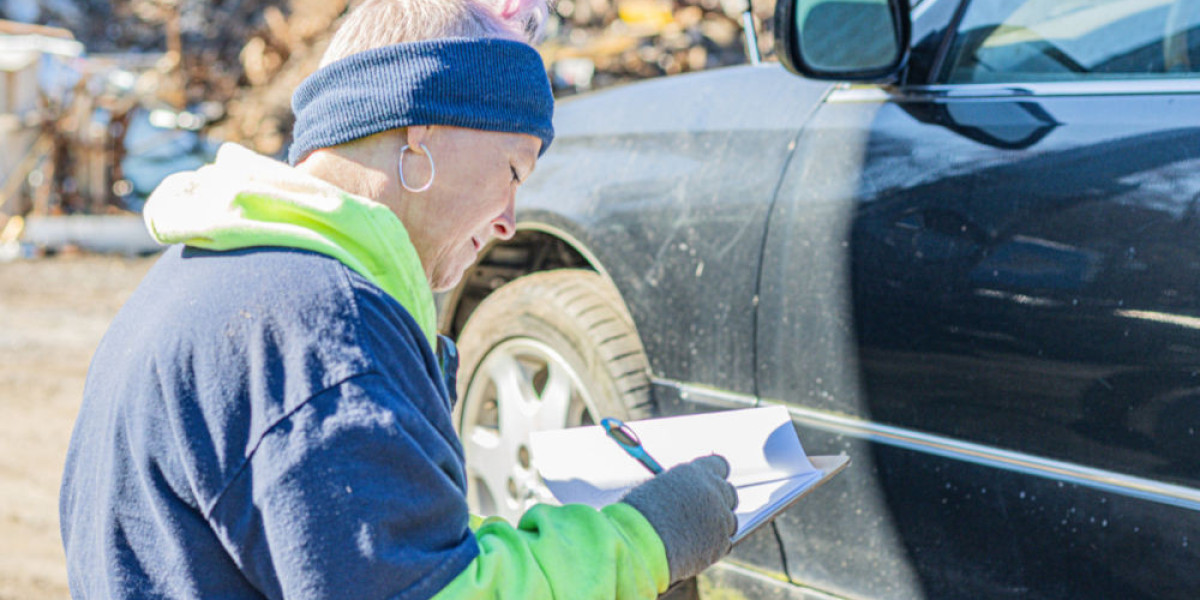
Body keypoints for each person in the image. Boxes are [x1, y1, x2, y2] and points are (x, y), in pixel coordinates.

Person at [58, 0, 739, 598]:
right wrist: (645, 539)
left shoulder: (218, 273)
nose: (509, 217)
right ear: (422, 132)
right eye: (512, 170)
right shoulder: (321, 329)